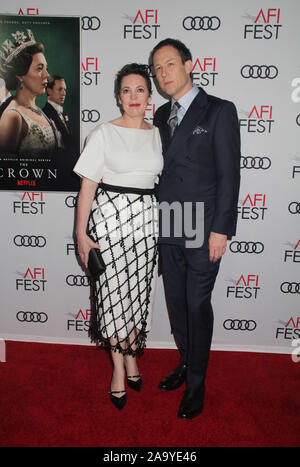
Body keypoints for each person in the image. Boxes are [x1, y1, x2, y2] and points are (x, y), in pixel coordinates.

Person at [150, 38, 240, 419]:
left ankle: (197, 383)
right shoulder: (158, 117)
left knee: (196, 304)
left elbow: (229, 174)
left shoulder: (218, 110)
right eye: (157, 69)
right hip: (169, 219)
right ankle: (186, 363)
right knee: (176, 303)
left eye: (170, 64)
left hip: (204, 225)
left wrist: (221, 229)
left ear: (190, 64)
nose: (163, 74)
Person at [73, 63, 163, 410]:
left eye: (140, 89)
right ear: (118, 97)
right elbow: (87, 187)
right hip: (110, 226)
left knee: (139, 297)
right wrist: (81, 234)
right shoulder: (103, 134)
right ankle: (118, 369)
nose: (133, 97)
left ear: (149, 95)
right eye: (126, 90)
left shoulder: (156, 134)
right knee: (112, 299)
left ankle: (130, 357)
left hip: (146, 227)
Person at [0, 29, 61, 155]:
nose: (47, 75)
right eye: (39, 69)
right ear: (20, 75)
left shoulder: (39, 110)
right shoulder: (13, 116)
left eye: (46, 68)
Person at [43, 75, 72, 147]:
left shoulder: (64, 114)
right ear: (49, 91)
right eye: (60, 89)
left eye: (64, 89)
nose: (64, 93)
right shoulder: (44, 114)